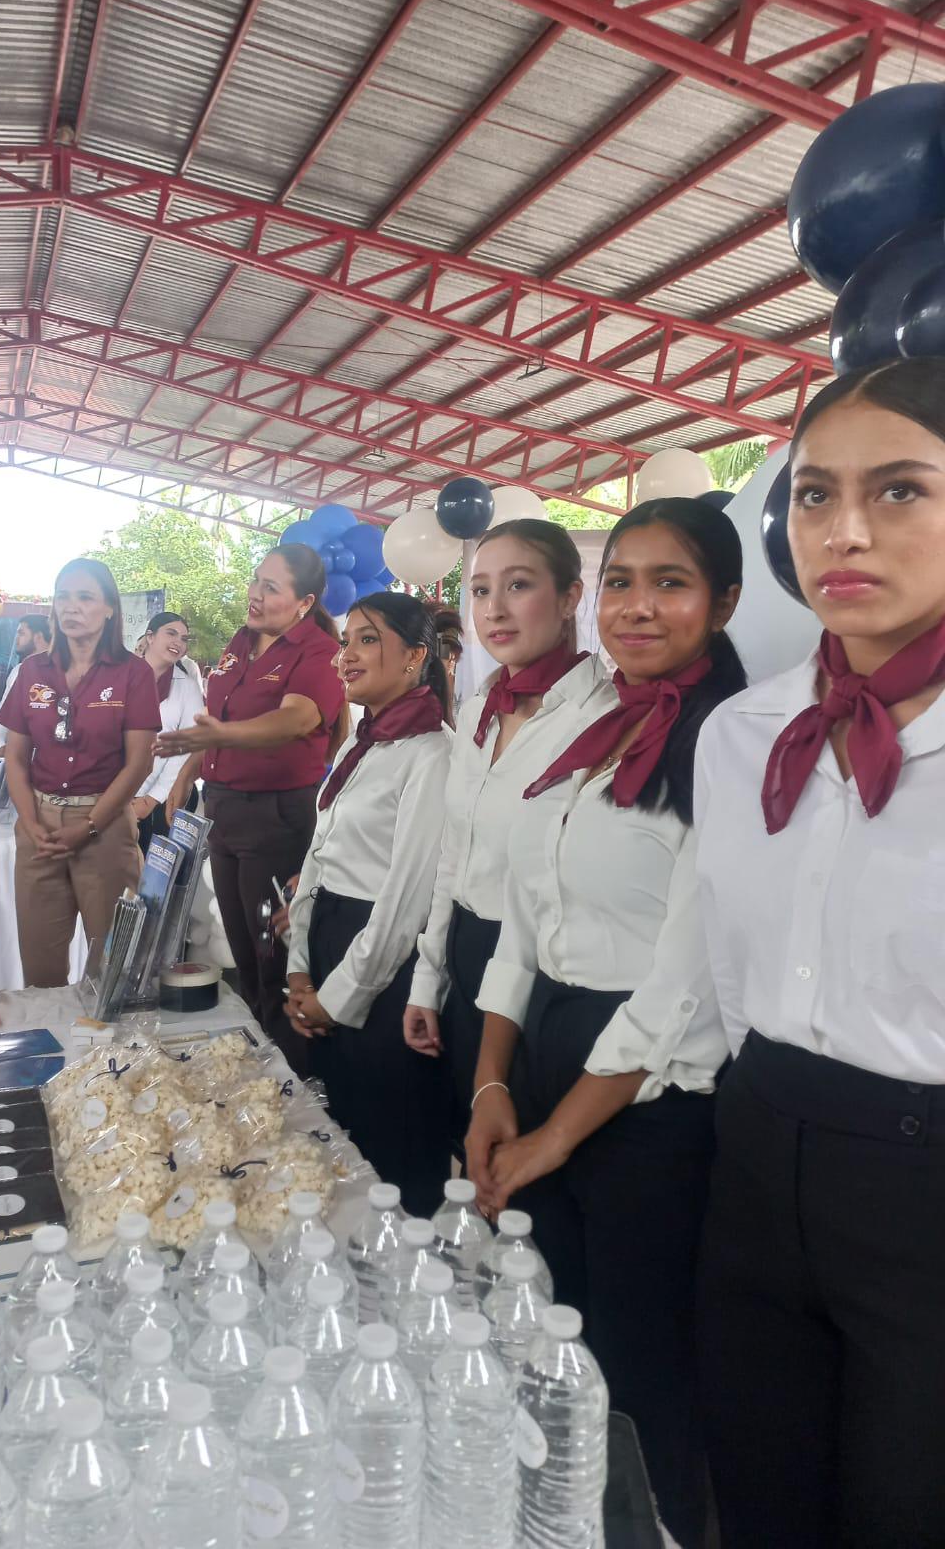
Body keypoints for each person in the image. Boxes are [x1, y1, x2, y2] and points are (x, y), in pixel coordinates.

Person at [694, 359, 945, 1549]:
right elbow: (727, 969)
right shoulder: (742, 735)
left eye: (901, 490)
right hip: (757, 1149)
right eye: (810, 494)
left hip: (925, 1186)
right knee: (760, 1492)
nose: (841, 532)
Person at [468, 498, 746, 1547]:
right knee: (551, 1336)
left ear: (722, 601)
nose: (636, 606)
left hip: (651, 1102)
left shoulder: (732, 742)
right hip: (544, 1056)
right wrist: (495, 1084)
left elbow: (684, 980)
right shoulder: (588, 730)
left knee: (640, 1365)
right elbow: (520, 920)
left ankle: (657, 1529)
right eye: (620, 580)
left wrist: (555, 1133)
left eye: (669, 583)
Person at [403, 521, 612, 1154]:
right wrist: (428, 976)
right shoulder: (475, 712)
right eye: (481, 590)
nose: (494, 609)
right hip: (466, 950)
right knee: (455, 1140)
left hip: (540, 966)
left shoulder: (601, 719)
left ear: (572, 597)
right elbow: (451, 854)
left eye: (518, 586)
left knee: (516, 1157)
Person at [285, 593, 454, 1215]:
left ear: (415, 657)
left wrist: (334, 998)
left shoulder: (432, 754)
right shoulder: (365, 743)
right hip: (332, 940)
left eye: (367, 640)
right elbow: (318, 857)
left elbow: (405, 901)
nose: (347, 655)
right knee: (343, 1136)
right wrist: (299, 966)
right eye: (346, 640)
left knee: (393, 1151)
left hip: (382, 969)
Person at [157, 544, 344, 1066]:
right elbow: (214, 723)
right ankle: (265, 1063)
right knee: (243, 950)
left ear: (304, 602)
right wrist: (186, 778)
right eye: (255, 581)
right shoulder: (242, 642)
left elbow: (296, 720)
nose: (255, 594)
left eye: (271, 587)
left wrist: (222, 736)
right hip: (224, 811)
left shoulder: (317, 652)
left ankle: (297, 1076)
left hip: (275, 820)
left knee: (276, 957)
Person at [0, 557, 159, 987]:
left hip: (104, 827)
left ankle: (103, 1052)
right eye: (62, 597)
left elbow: (140, 761)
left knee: (112, 967)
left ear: (109, 608)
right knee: (40, 965)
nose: (71, 607)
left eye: (85, 597)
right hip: (40, 829)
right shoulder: (32, 671)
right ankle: (49, 1051)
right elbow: (15, 755)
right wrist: (31, 824)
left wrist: (87, 826)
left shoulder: (133, 673)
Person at [131, 611, 203, 849]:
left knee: (146, 879)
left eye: (183, 639)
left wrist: (150, 799)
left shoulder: (187, 687)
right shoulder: (122, 677)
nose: (178, 643)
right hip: (111, 793)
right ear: (150, 637)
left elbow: (185, 747)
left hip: (159, 799)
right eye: (171, 633)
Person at [0, 614, 51, 753]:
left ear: (38, 636)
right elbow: (4, 712)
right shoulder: (19, 671)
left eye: (21, 633)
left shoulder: (64, 671)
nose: (16, 639)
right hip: (20, 755)